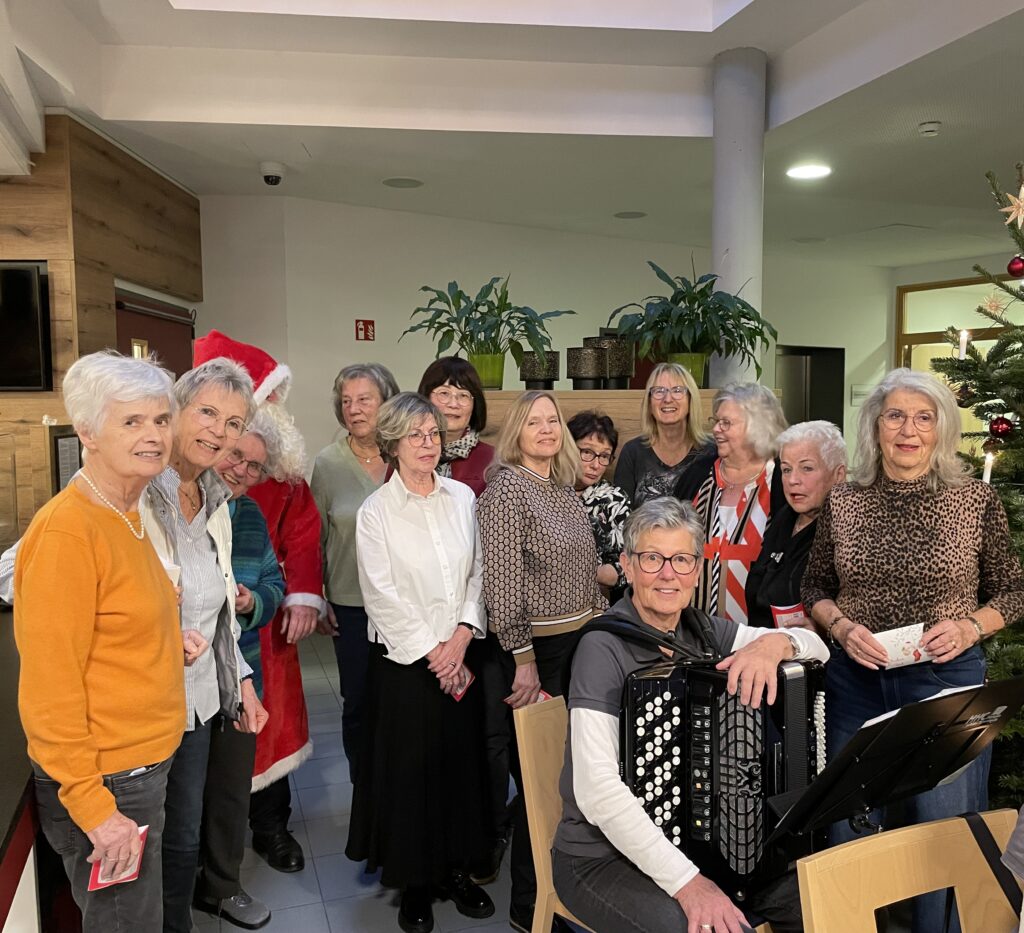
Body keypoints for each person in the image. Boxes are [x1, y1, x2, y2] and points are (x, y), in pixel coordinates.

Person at [801, 368, 1024, 933]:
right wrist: (842, 627)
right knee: (850, 829)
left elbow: (1015, 590)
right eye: (895, 415)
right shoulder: (845, 501)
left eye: (923, 417)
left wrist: (972, 627)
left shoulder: (974, 500)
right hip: (856, 684)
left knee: (942, 838)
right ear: (876, 427)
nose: (908, 429)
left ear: (941, 429)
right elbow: (813, 589)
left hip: (946, 685)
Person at [552, 497, 829, 933]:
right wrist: (688, 884)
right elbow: (596, 790)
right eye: (652, 558)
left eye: (681, 559)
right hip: (600, 858)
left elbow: (819, 648)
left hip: (705, 846)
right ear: (626, 565)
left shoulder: (703, 630)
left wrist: (778, 644)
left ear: (697, 570)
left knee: (822, 905)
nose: (668, 574)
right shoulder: (601, 648)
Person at [13, 352, 185, 931]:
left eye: (161, 420)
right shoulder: (69, 530)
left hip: (137, 770)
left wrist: (167, 638)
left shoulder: (129, 511)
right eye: (132, 422)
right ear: (86, 432)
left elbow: (112, 627)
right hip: (109, 786)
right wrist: (94, 809)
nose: (154, 435)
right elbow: (48, 688)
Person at [346, 393, 492, 933]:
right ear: (393, 443)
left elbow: (479, 572)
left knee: (460, 770)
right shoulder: (375, 512)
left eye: (433, 433)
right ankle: (415, 884)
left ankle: (456, 871)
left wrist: (460, 637)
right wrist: (435, 653)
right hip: (406, 667)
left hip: (460, 655)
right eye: (415, 435)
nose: (428, 444)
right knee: (410, 778)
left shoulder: (461, 498)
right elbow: (380, 595)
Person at [193, 331, 323, 874]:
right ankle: (207, 852)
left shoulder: (278, 474)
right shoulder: (189, 480)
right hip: (199, 634)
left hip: (263, 624)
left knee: (271, 723)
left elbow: (304, 534)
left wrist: (297, 597)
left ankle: (271, 826)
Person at [476, 390, 606, 933]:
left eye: (553, 420)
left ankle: (566, 895)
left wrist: (607, 634)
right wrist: (523, 659)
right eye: (535, 421)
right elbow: (501, 585)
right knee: (544, 786)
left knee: (575, 781)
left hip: (581, 646)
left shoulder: (562, 488)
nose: (547, 429)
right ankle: (530, 910)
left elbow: (590, 570)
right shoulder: (505, 491)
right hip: (537, 655)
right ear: (516, 431)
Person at [147, 358, 269, 933]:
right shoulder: (135, 487)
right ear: (175, 408)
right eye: (209, 413)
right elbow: (17, 574)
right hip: (141, 708)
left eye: (235, 422)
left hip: (198, 704)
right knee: (144, 851)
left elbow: (219, 610)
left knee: (182, 839)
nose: (221, 432)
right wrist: (142, 622)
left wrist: (241, 681)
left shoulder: (216, 497)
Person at [194, 414, 286, 930]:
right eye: (236, 457)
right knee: (184, 795)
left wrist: (256, 600)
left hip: (240, 672)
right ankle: (178, 885)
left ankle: (222, 888)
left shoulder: (249, 514)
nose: (242, 471)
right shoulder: (181, 505)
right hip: (182, 674)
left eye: (254, 466)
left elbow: (272, 578)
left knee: (230, 787)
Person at [311, 362, 400, 781]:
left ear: (386, 402)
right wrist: (317, 596)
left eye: (365, 399)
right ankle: (364, 789)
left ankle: (399, 792)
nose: (354, 409)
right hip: (351, 606)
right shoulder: (328, 464)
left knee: (401, 704)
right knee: (359, 703)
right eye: (346, 401)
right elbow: (314, 538)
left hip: (407, 607)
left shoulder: (407, 454)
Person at [675, 382, 788, 625]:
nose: (716, 429)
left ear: (758, 428)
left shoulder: (782, 481)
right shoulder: (697, 474)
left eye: (726, 423)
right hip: (690, 631)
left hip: (757, 634)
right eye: (715, 420)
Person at [745, 421, 846, 629]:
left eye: (807, 468)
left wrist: (825, 628)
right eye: (786, 469)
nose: (792, 480)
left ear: (839, 475)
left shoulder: (849, 528)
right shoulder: (784, 517)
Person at [614, 362, 710, 507]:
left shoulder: (711, 452)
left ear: (691, 400)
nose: (667, 399)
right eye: (659, 391)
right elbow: (620, 516)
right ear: (649, 403)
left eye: (677, 390)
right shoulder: (633, 452)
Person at [567, 410, 631, 600]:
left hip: (598, 604)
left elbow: (627, 565)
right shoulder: (543, 491)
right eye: (587, 452)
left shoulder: (614, 500)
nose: (596, 465)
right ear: (567, 448)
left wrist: (582, 574)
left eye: (604, 456)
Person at [418, 356, 495, 496]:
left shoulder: (493, 460)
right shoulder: (406, 453)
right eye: (444, 393)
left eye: (463, 395)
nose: (453, 404)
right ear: (425, 398)